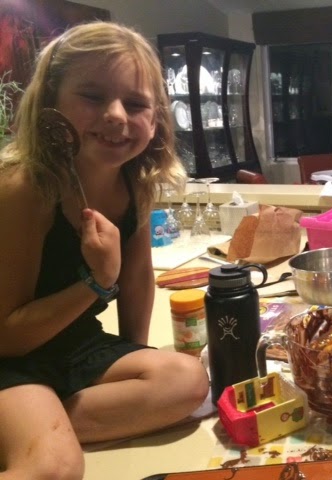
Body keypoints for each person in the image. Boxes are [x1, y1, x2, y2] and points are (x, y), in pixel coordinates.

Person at [0, 22, 209, 479]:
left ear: (155, 119)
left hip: (73, 346)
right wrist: (95, 282)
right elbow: (7, 337)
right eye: (93, 97)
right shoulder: (24, 187)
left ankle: (36, 427)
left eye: (136, 104)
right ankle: (37, 436)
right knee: (55, 468)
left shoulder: (135, 184)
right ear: (51, 102)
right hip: (10, 359)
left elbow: (136, 282)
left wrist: (135, 355)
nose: (116, 115)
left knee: (187, 379)